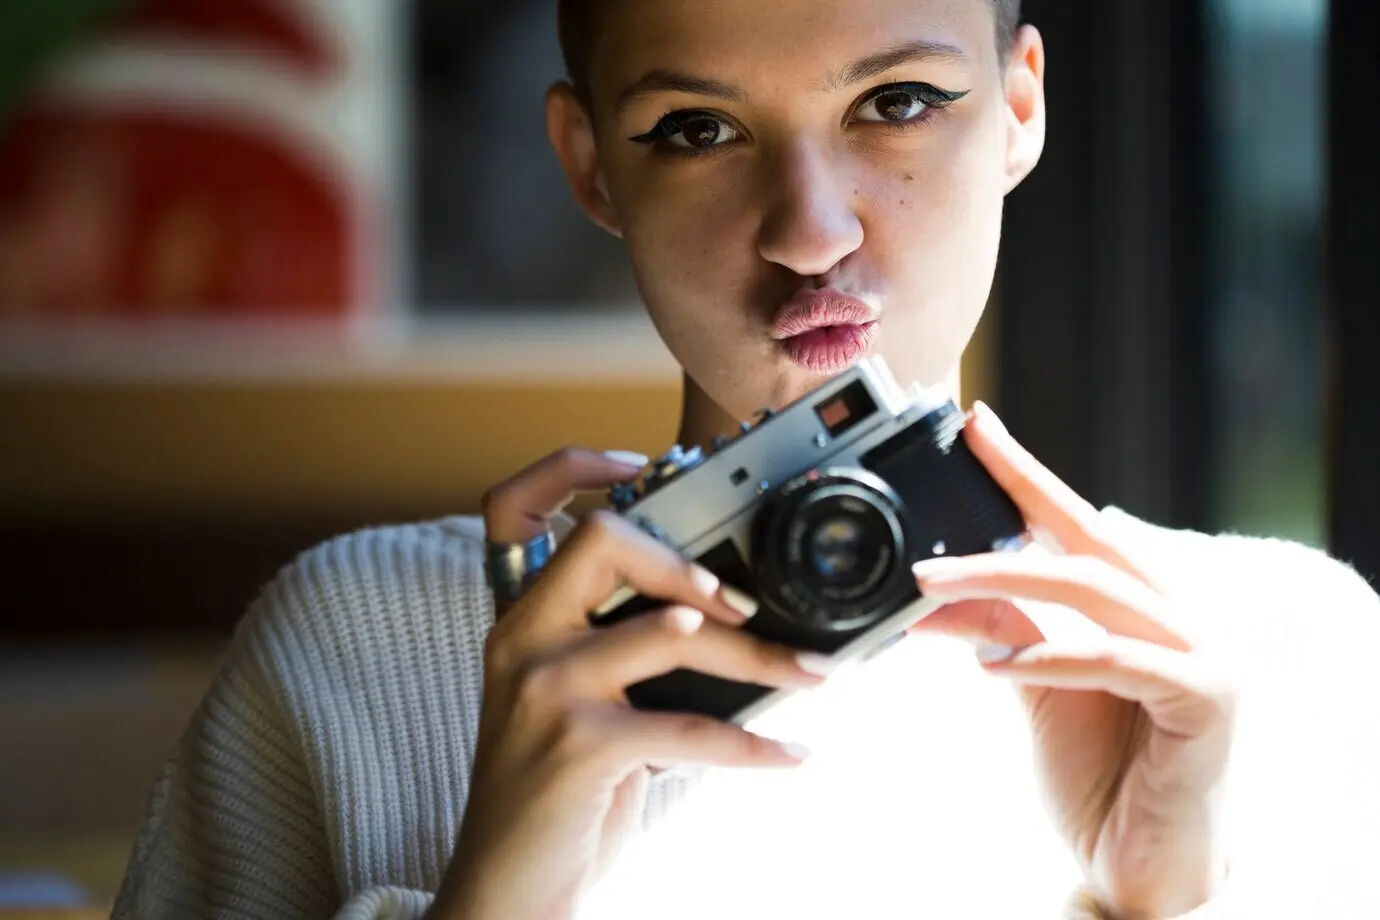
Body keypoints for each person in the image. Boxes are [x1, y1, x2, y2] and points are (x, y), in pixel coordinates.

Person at [112, 1, 1380, 918]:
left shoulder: (1290, 648)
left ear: (1021, 110)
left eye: (896, 103)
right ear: (589, 162)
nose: (810, 233)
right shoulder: (354, 649)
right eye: (695, 128)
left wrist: (1176, 896)